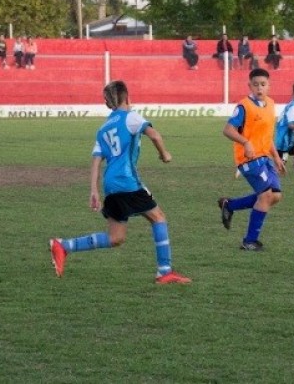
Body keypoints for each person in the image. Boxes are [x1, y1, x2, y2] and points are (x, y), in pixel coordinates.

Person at [49, 80, 191, 285]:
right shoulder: (131, 117)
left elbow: (96, 160)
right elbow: (154, 135)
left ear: (108, 104)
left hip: (110, 186)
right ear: (127, 97)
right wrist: (165, 154)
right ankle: (164, 271)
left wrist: (94, 191)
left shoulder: (103, 129)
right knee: (158, 218)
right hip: (128, 182)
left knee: (116, 238)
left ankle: (63, 246)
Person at [217, 68, 286, 251]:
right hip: (248, 159)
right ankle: (249, 241)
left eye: (263, 84)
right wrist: (245, 142)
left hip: (265, 157)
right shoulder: (244, 106)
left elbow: (267, 135)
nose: (259, 88)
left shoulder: (271, 104)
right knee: (265, 196)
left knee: (276, 196)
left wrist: (277, 157)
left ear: (269, 86)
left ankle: (229, 205)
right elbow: (228, 130)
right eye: (255, 85)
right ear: (250, 86)